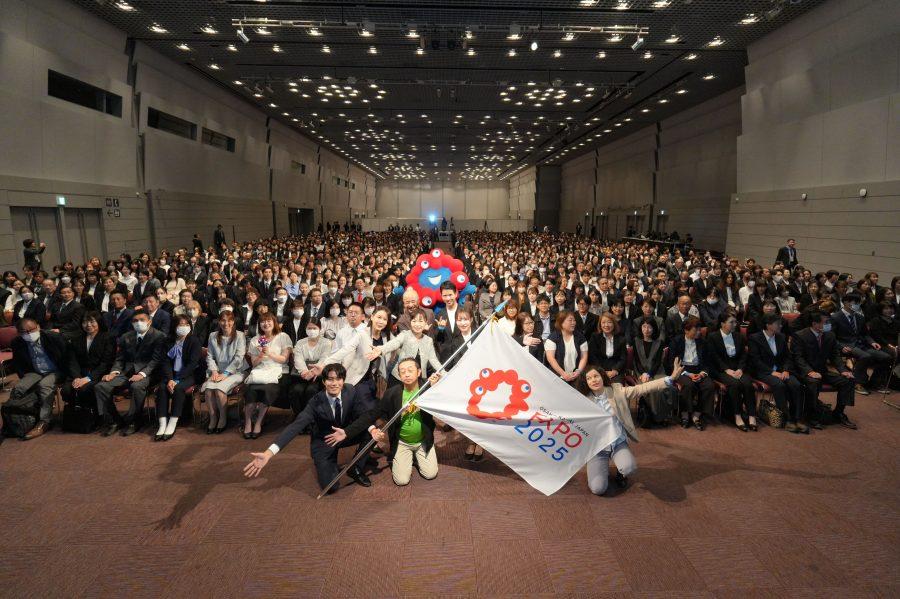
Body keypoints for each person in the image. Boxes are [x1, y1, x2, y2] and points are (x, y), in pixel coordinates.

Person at [243, 363, 372, 492]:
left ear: (343, 381)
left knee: (372, 432)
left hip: (344, 434)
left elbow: (362, 413)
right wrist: (268, 453)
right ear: (324, 381)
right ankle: (326, 463)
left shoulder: (350, 390)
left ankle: (355, 467)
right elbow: (294, 427)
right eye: (330, 379)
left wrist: (367, 429)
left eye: (338, 379)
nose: (334, 383)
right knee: (331, 487)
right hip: (324, 441)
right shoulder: (315, 402)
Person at [576, 359, 683, 494]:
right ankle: (601, 467)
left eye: (596, 376)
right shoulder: (582, 399)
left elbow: (641, 388)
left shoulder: (617, 391)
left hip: (617, 442)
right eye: (589, 378)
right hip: (597, 448)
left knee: (629, 468)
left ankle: (621, 473)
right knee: (598, 489)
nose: (594, 380)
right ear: (585, 382)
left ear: (602, 376)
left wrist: (670, 378)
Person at [341, 358, 442, 486]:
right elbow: (371, 415)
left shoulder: (428, 388)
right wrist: (346, 432)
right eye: (403, 372)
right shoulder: (392, 393)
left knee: (430, 474)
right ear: (399, 375)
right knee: (401, 481)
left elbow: (443, 405)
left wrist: (436, 388)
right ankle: (404, 456)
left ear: (419, 372)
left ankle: (416, 456)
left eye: (410, 370)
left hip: (423, 440)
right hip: (402, 442)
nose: (406, 374)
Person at [94, 311, 166, 436]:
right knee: (101, 386)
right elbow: (119, 359)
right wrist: (113, 372)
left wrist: (142, 374)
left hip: (149, 373)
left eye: (142, 320)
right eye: (135, 320)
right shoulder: (126, 336)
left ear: (149, 321)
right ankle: (115, 421)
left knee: (136, 386)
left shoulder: (159, 336)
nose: (138, 323)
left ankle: (134, 421)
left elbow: (156, 360)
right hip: (127, 372)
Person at [5, 318, 70, 439]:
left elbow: (68, 358)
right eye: (24, 332)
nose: (29, 334)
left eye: (31, 330)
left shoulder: (53, 338)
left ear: (38, 327)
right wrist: (25, 377)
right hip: (34, 371)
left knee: (44, 385)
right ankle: (17, 419)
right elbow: (18, 364)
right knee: (19, 387)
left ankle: (44, 421)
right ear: (19, 333)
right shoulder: (17, 342)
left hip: (56, 370)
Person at [792, 310, 857, 429]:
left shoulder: (830, 335)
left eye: (829, 322)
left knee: (848, 380)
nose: (829, 325)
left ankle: (838, 413)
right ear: (814, 324)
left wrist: (843, 370)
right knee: (813, 382)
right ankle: (811, 415)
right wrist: (810, 371)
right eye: (826, 322)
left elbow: (835, 355)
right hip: (803, 372)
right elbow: (798, 358)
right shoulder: (800, 335)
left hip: (822, 371)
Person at [748, 313, 807, 433]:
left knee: (796, 384)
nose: (780, 325)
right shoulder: (755, 338)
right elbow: (755, 360)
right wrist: (771, 372)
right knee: (779, 385)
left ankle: (797, 418)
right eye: (777, 323)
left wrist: (785, 369)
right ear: (768, 325)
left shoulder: (781, 337)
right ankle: (787, 419)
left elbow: (787, 357)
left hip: (781, 371)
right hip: (763, 371)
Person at [242, 312, 293, 439]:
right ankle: (248, 422)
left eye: (269, 320)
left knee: (268, 390)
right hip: (259, 372)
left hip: (278, 371)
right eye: (263, 322)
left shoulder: (283, 337)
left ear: (274, 322)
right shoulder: (255, 340)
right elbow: (254, 363)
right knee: (250, 391)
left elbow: (284, 360)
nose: (266, 323)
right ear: (259, 325)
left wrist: (269, 353)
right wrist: (260, 355)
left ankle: (258, 422)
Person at [830, 293, 892, 395]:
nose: (858, 305)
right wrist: (841, 346)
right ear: (846, 302)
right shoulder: (835, 317)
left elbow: (865, 334)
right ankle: (857, 382)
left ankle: (875, 382)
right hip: (845, 344)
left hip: (861, 344)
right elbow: (831, 337)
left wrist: (872, 342)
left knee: (886, 357)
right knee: (865, 356)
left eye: (859, 303)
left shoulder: (860, 317)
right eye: (855, 302)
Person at [706, 312, 757, 431]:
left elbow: (743, 355)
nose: (735, 324)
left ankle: (752, 415)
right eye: (731, 322)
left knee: (748, 384)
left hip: (738, 368)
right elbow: (714, 357)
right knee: (734, 384)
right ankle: (737, 415)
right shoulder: (713, 337)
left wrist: (740, 369)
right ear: (722, 324)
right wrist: (726, 369)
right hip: (720, 369)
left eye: (735, 322)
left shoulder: (739, 336)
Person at [154, 315, 202, 441]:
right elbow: (165, 362)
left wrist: (177, 379)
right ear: (174, 326)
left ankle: (173, 421)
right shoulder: (167, 341)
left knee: (179, 388)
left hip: (188, 375)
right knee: (162, 388)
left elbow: (192, 364)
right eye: (181, 324)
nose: (184, 327)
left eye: (187, 324)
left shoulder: (194, 341)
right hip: (170, 375)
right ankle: (162, 423)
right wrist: (170, 378)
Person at [61, 311, 115, 419]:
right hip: (80, 373)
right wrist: (77, 377)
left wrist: (88, 378)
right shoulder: (76, 338)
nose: (88, 325)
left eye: (92, 321)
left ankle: (95, 417)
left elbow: (106, 362)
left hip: (99, 373)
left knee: (85, 389)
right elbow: (72, 361)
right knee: (67, 390)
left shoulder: (108, 337)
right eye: (85, 322)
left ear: (99, 322)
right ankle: (78, 418)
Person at [367, 308, 441, 385]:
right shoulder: (405, 334)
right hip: (400, 377)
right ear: (410, 322)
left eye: (420, 321)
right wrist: (381, 349)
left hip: (418, 378)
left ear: (426, 322)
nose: (417, 324)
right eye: (414, 321)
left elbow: (433, 360)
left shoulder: (428, 340)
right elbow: (395, 343)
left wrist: (443, 372)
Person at [202, 311, 247, 433]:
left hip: (236, 371)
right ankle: (213, 418)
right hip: (217, 371)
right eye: (223, 320)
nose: (226, 323)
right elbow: (210, 356)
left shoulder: (240, 335)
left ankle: (222, 418)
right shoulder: (213, 335)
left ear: (233, 321)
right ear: (219, 321)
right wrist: (214, 371)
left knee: (219, 389)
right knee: (208, 390)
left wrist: (226, 373)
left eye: (229, 320)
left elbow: (239, 358)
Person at [667, 317, 715, 430]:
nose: (699, 332)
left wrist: (702, 374)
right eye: (695, 330)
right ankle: (684, 414)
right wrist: (688, 374)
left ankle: (696, 415)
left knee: (709, 385)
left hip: (698, 370)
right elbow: (671, 362)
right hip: (681, 370)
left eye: (699, 329)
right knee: (688, 385)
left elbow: (707, 362)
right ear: (686, 330)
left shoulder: (703, 342)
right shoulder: (676, 341)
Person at [631, 316, 673, 425]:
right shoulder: (636, 341)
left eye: (649, 327)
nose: (646, 330)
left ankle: (662, 415)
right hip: (640, 372)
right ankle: (654, 415)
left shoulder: (659, 342)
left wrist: (649, 374)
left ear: (654, 329)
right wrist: (643, 373)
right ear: (640, 328)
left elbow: (658, 362)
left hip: (657, 371)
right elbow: (636, 361)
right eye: (644, 326)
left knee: (664, 387)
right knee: (650, 388)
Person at [289, 317, 333, 416]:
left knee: (311, 390)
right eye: (309, 328)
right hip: (302, 375)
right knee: (296, 390)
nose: (312, 330)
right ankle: (299, 416)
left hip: (319, 375)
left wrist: (313, 372)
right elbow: (298, 359)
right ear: (305, 329)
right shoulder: (300, 342)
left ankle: (311, 416)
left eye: (314, 328)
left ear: (320, 329)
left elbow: (324, 359)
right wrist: (305, 372)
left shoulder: (326, 342)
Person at [544, 310, 588, 385]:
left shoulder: (580, 337)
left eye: (574, 320)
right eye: (570, 320)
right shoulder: (553, 338)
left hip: (576, 376)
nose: (573, 323)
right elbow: (550, 358)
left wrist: (578, 371)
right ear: (561, 322)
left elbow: (584, 357)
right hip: (557, 377)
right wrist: (563, 374)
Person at [588, 312, 626, 384]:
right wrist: (601, 371)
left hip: (615, 371)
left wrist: (615, 371)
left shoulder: (621, 339)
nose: (606, 325)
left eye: (609, 322)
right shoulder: (595, 337)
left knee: (616, 387)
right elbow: (592, 356)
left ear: (614, 324)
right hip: (598, 369)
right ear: (600, 324)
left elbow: (623, 358)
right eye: (603, 322)